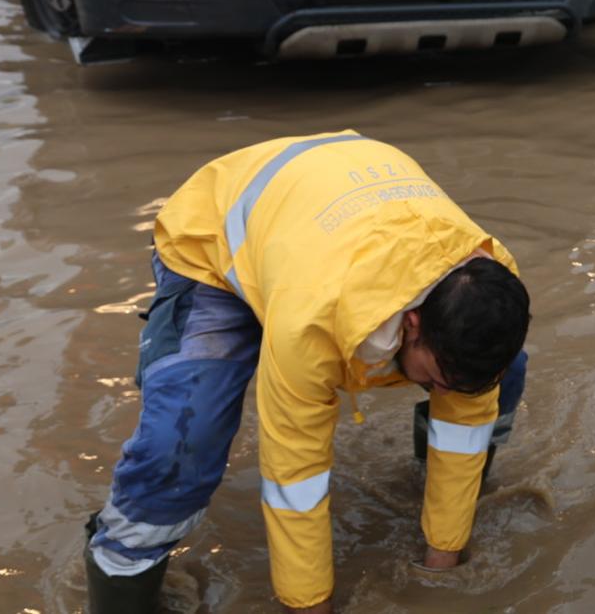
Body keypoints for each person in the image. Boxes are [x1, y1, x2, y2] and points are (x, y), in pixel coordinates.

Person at [85, 131, 532, 613]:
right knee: (181, 443)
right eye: (439, 378)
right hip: (215, 244)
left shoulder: (488, 279)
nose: (448, 392)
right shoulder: (312, 322)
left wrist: (440, 567)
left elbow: (466, 416)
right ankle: (121, 572)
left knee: (500, 377)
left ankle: (424, 490)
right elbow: (294, 472)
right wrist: (310, 605)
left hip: (326, 208)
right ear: (414, 324)